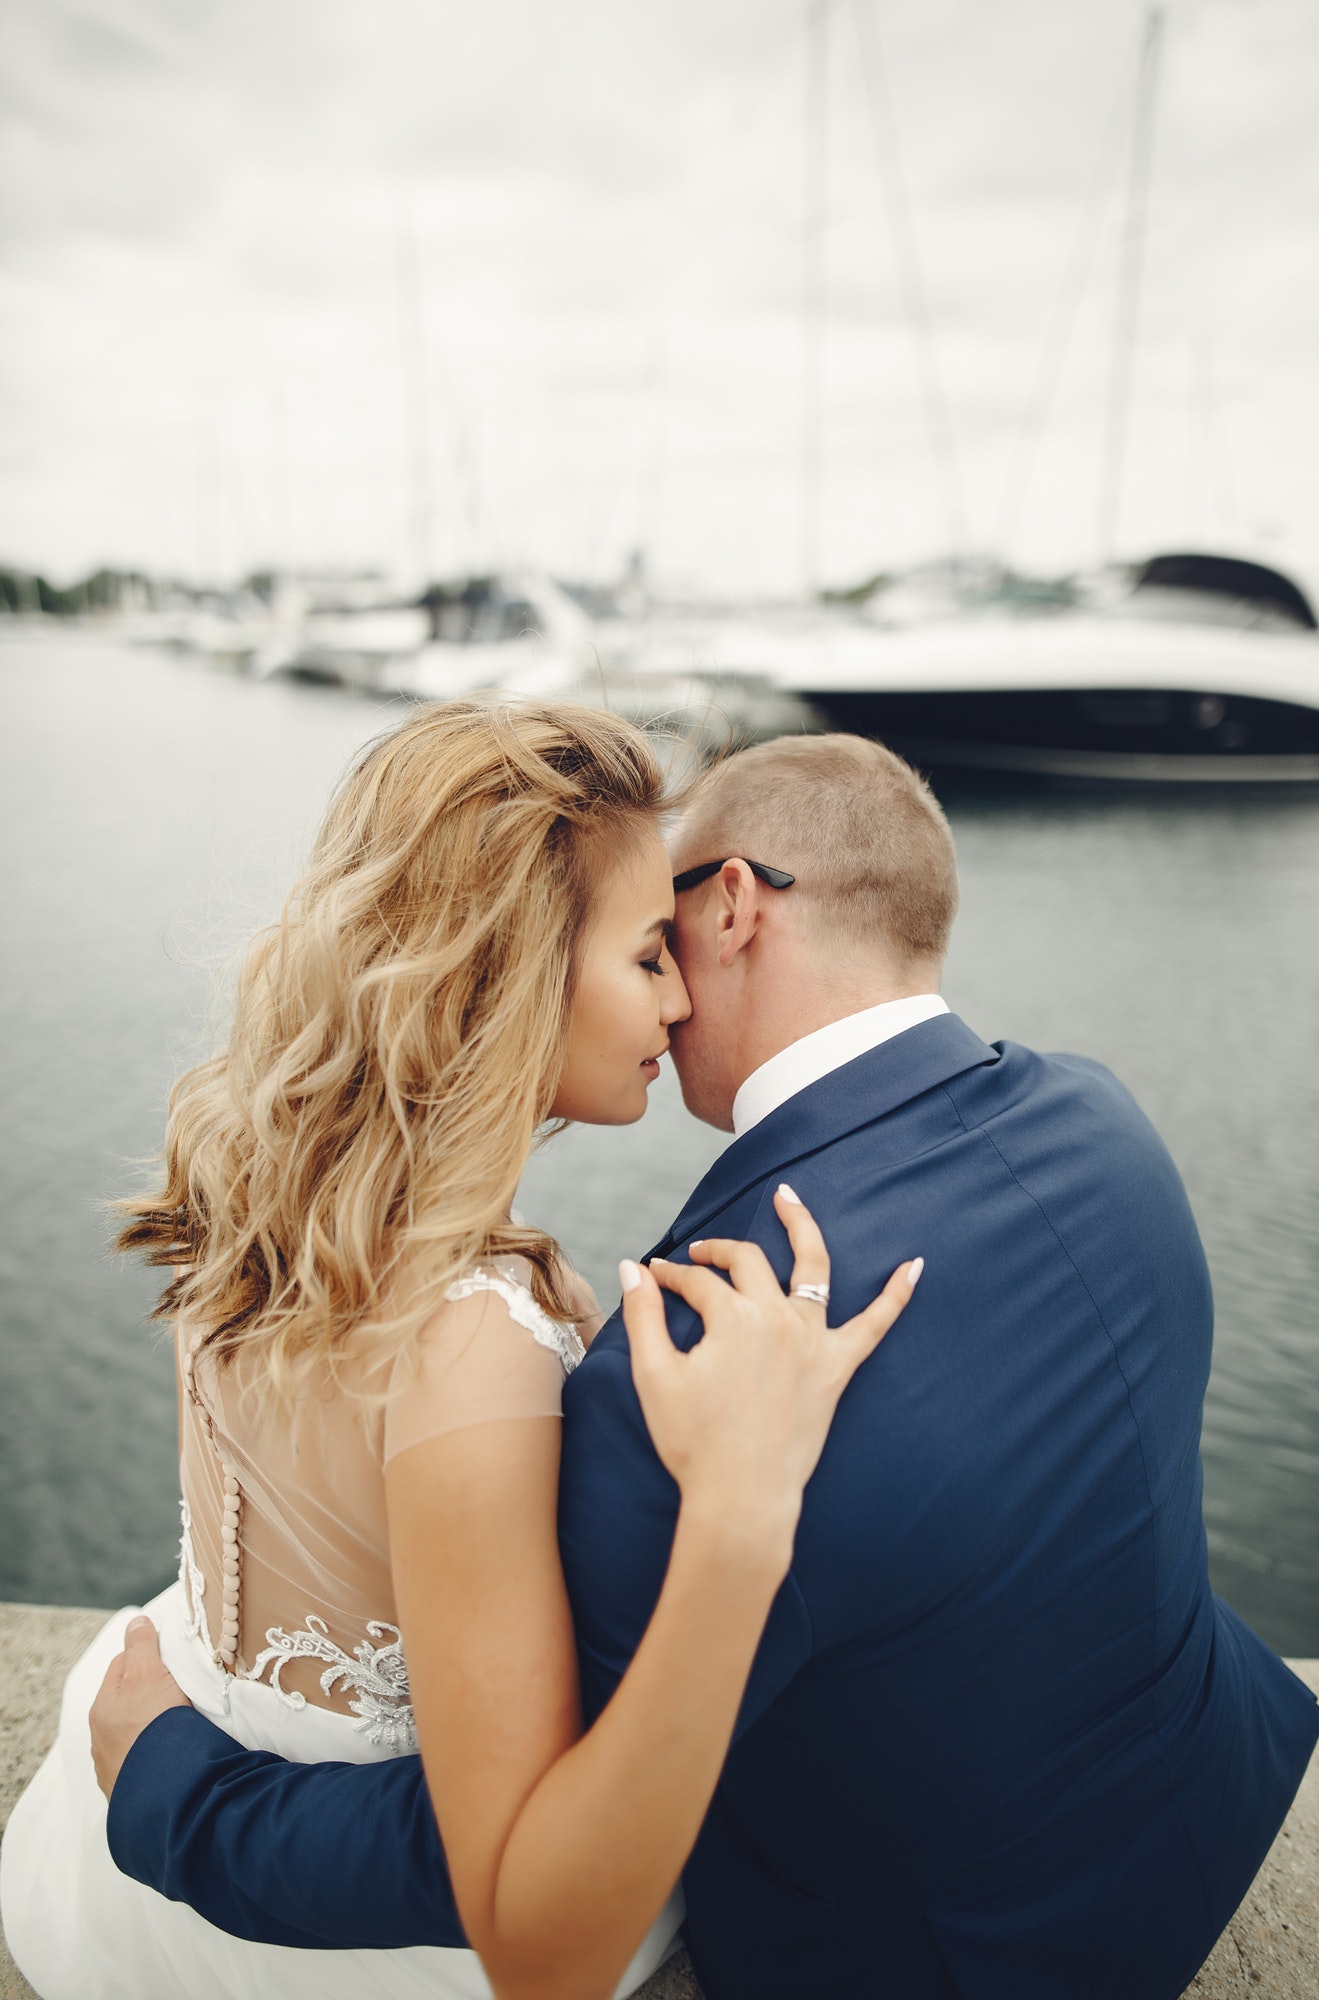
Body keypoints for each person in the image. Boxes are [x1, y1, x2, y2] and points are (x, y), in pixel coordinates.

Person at [63, 733, 1319, 1997]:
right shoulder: (1103, 1119)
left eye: (661, 935)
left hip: (936, 1957)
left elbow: (518, 1870)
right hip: (1196, 1800)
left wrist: (174, 1786)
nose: (665, 992)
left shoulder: (705, 1345)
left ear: (730, 902)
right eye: (636, 953)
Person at [0, 704, 923, 2000]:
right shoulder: (470, 1350)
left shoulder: (261, 1173)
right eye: (649, 952)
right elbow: (535, 1936)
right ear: (517, 969)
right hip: (348, 1927)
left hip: (191, 1730)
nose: (677, 996)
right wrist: (736, 1506)